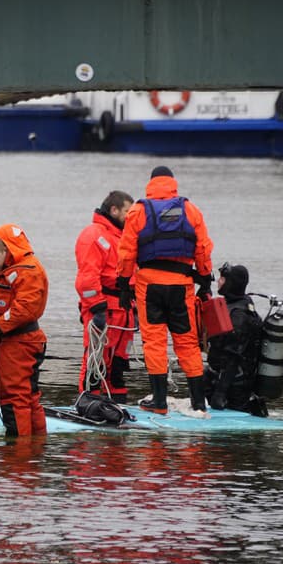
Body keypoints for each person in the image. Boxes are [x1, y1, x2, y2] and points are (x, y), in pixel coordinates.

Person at [117, 166, 214, 414]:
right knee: (188, 343)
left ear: (150, 184)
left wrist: (123, 283)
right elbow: (203, 247)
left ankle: (159, 403)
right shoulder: (190, 210)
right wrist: (204, 277)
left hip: (149, 285)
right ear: (173, 183)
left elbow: (127, 251)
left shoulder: (138, 210)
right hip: (182, 286)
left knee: (154, 343)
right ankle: (199, 403)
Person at [0, 224, 49, 436]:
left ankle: (19, 452)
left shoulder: (27, 271)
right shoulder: (16, 270)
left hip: (20, 343)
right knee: (28, 396)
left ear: (6, 251)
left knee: (15, 398)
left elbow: (24, 309)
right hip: (16, 341)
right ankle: (35, 445)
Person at [74, 190, 136, 401]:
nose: (131, 216)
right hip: (104, 308)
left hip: (123, 309)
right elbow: (87, 278)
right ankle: (89, 402)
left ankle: (117, 404)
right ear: (114, 210)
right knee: (96, 360)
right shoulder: (94, 235)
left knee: (118, 364)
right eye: (128, 211)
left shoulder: (124, 237)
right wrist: (97, 307)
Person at [204, 263, 268, 416]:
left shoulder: (239, 315)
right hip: (219, 376)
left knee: (233, 418)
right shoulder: (230, 304)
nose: (218, 281)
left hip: (235, 384)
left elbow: (234, 356)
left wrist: (220, 392)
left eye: (222, 279)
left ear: (231, 283)